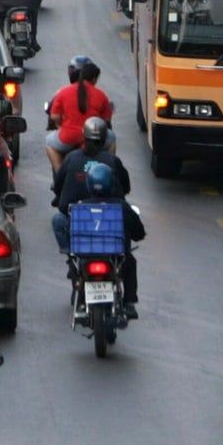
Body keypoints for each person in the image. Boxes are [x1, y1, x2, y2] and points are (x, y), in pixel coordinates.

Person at [51, 121, 141, 311]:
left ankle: (71, 259)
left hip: (81, 241)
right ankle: (129, 301)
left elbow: (58, 186)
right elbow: (137, 230)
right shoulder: (119, 203)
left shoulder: (71, 159)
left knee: (58, 220)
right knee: (129, 261)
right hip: (113, 243)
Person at [45, 60, 114, 174]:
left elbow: (54, 116)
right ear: (94, 79)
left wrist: (62, 124)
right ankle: (109, 171)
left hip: (68, 137)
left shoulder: (64, 92)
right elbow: (106, 120)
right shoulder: (101, 95)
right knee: (111, 138)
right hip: (93, 140)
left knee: (49, 142)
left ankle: (59, 175)